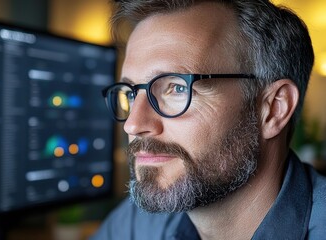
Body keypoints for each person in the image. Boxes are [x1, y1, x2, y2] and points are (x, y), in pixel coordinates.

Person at [92, 0, 326, 239]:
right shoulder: (137, 224)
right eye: (131, 94)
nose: (133, 124)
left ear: (274, 108)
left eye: (177, 88)